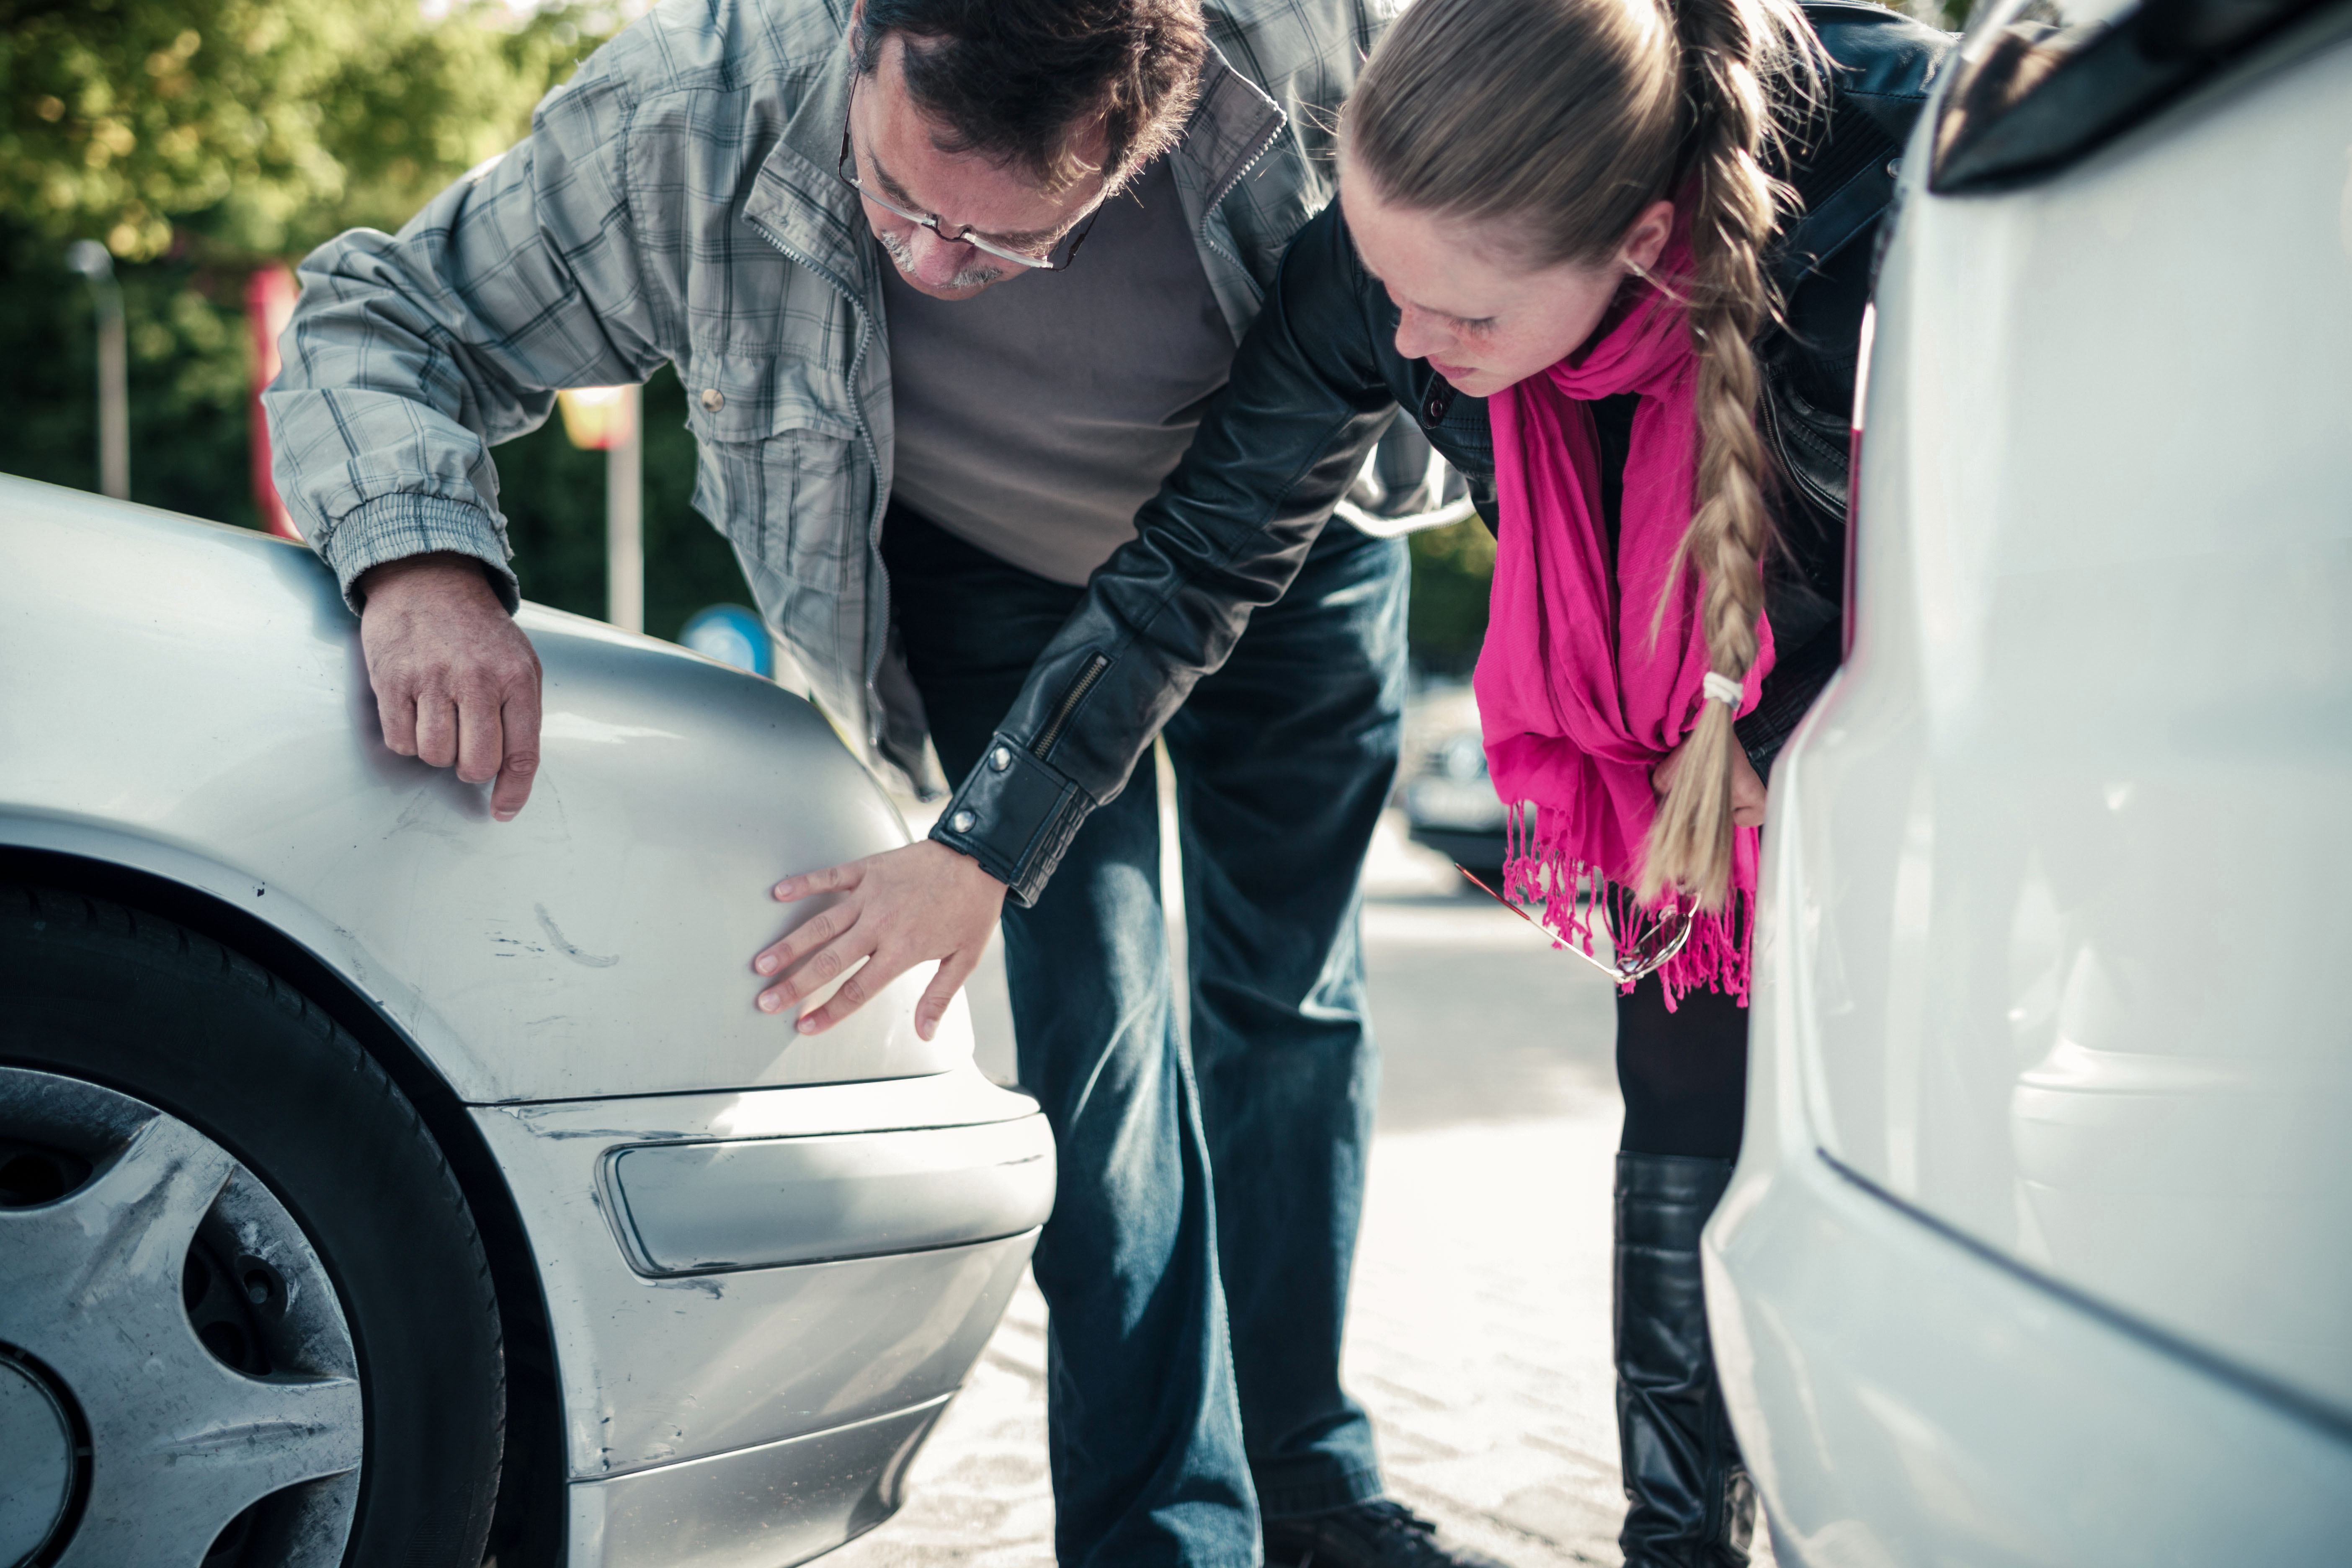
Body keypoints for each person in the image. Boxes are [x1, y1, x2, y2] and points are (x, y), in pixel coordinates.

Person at [263, 0, 1500, 1565]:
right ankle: (1166, 1537)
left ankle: (1311, 1479)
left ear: (1145, 123)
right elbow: (376, 315)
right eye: (903, 197)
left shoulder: (1314, 59)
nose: (933, 265)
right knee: (1098, 1043)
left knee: (1288, 1004)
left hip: (1283, 547)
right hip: (996, 581)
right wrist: (422, 563)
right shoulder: (690, 110)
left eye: (1008, 244)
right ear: (865, 39)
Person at [765, 0, 1952, 1560]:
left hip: (1923, 745)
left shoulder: (1898, 197)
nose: (1402, 347)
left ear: (1646, 243)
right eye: (1387, 288)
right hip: (1670, 762)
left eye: (1458, 320)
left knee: (1919, 1131)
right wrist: (982, 842)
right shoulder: (1382, 282)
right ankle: (1681, 1542)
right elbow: (1196, 562)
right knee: (1681, 1089)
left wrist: (1808, 745)